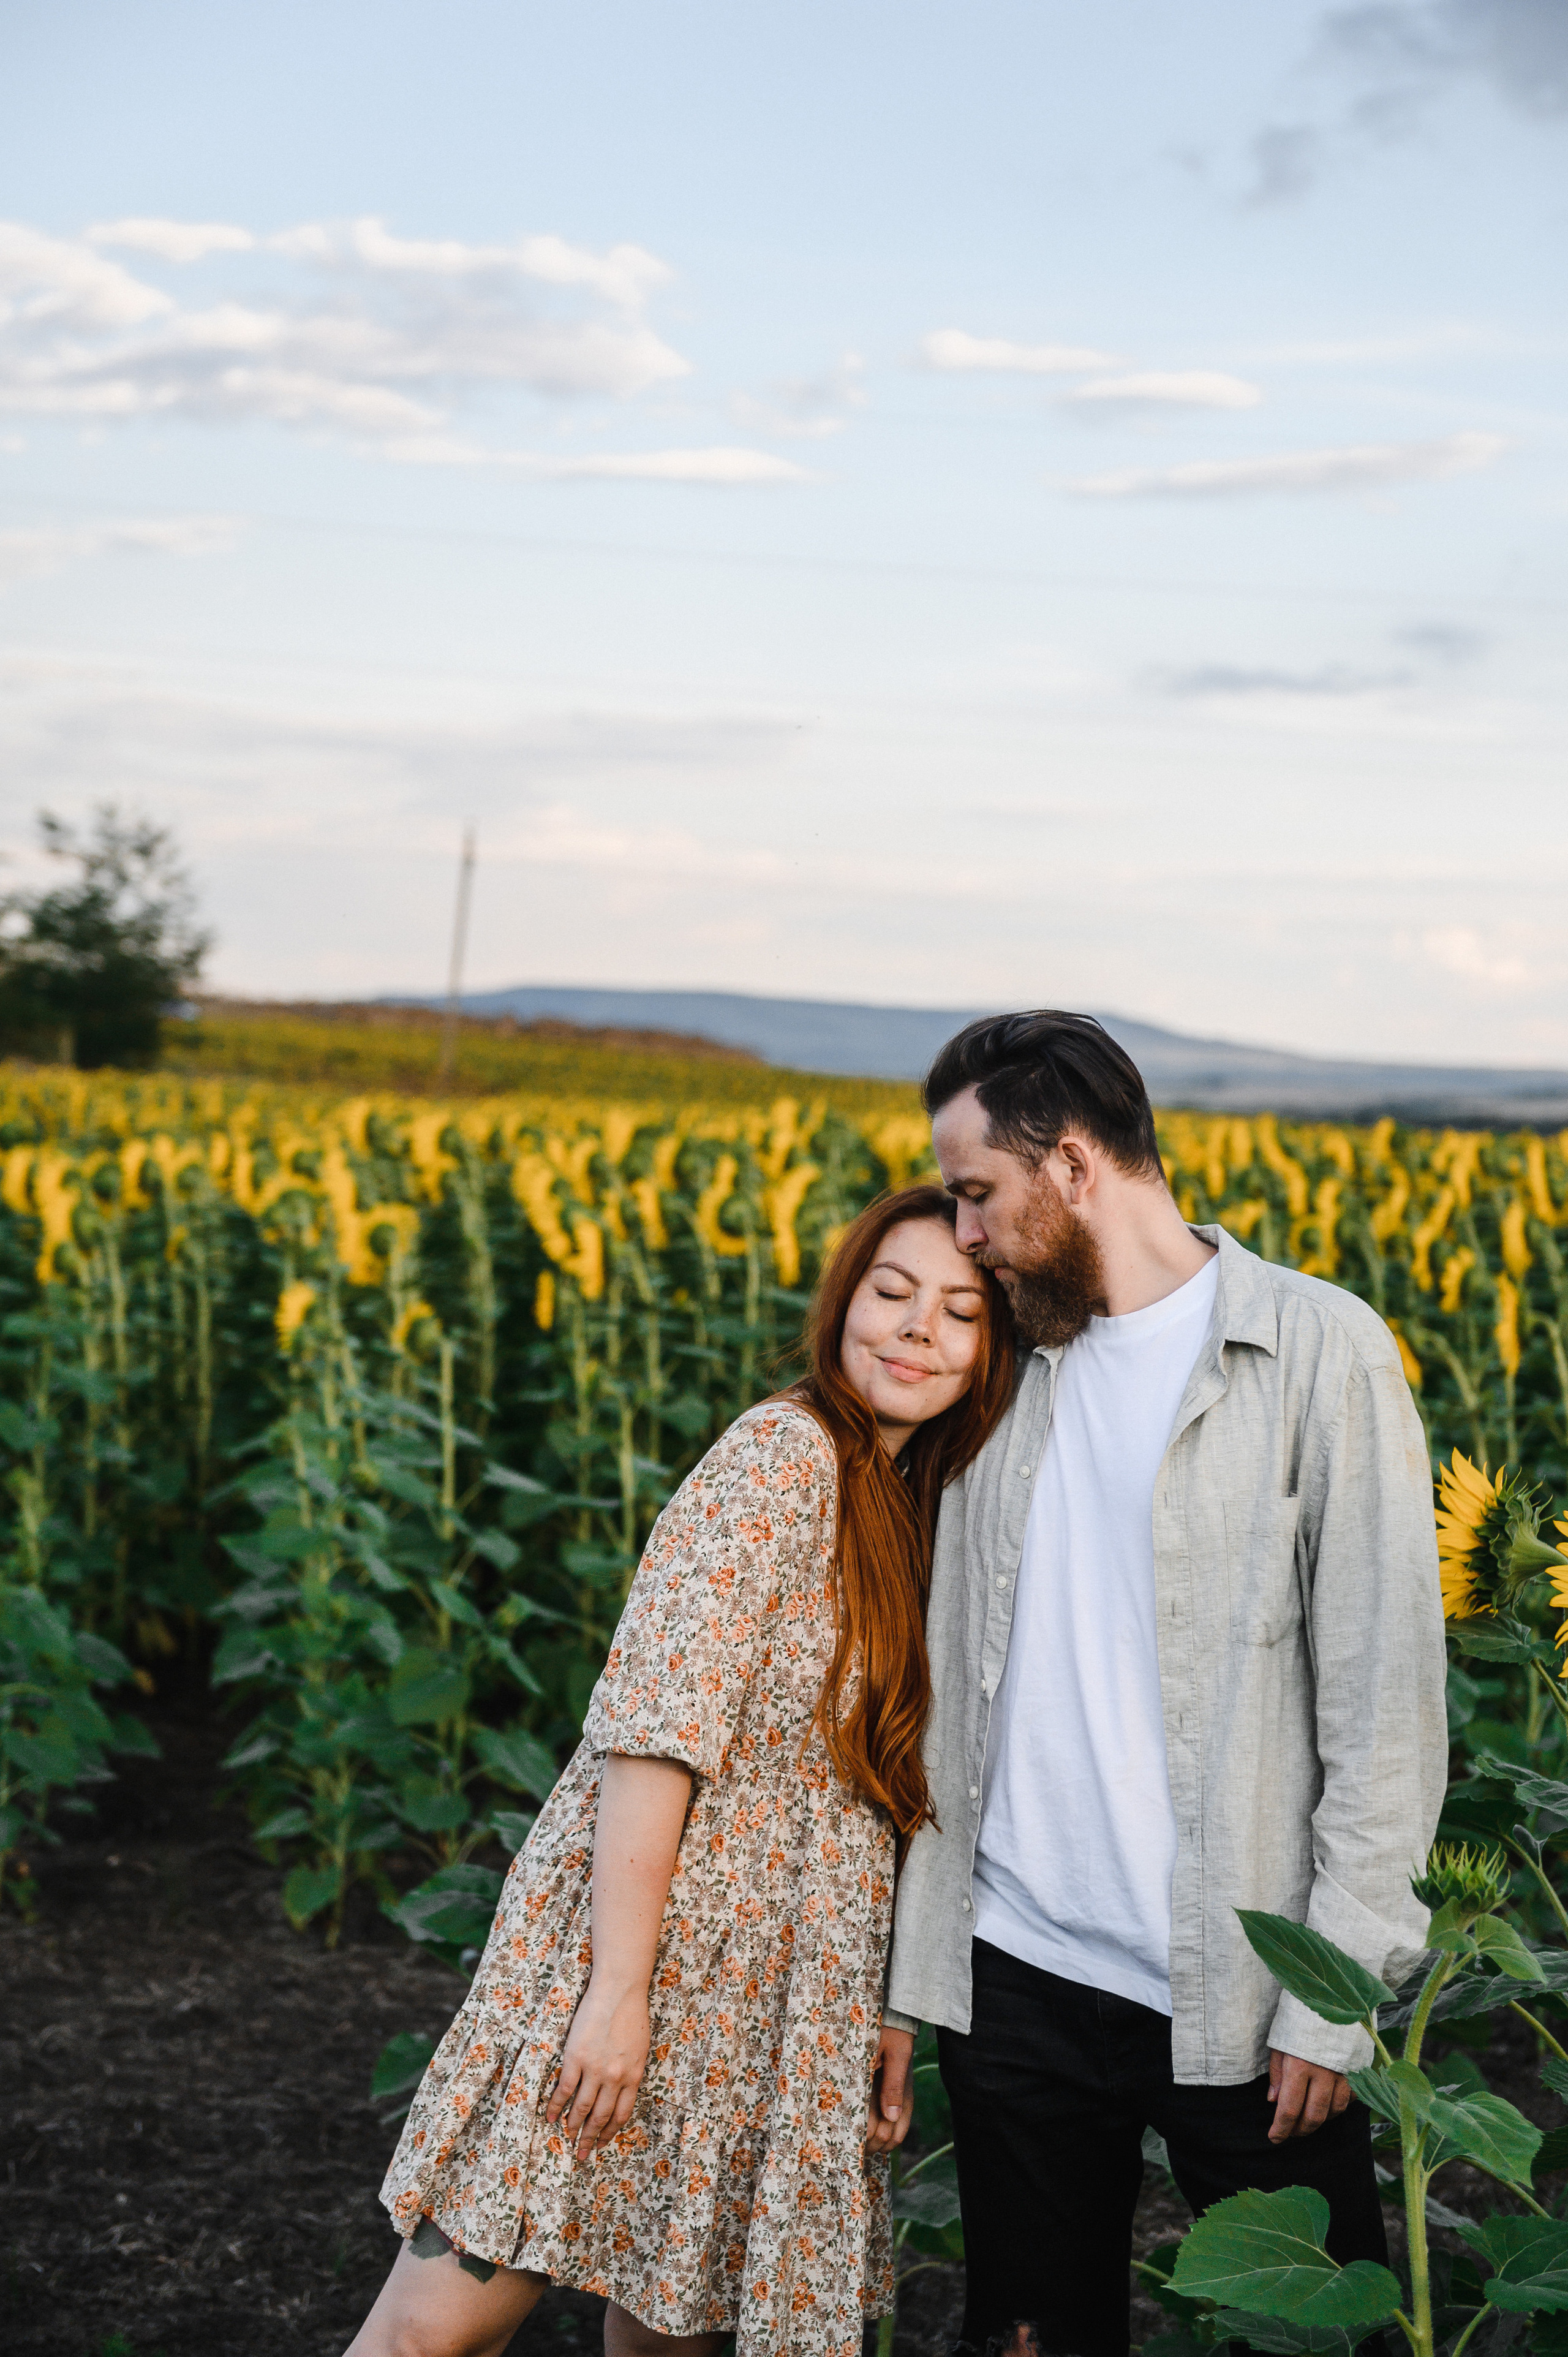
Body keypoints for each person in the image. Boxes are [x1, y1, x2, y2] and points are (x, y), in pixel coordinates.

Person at [346, 1182, 1015, 2357]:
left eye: (960, 1312)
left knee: (673, 2331)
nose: (918, 1329)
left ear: (991, 1353)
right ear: (841, 1304)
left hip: (779, 1995)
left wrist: (887, 2010)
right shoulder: (778, 1456)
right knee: (431, 2333)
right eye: (892, 1293)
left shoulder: (914, 1507)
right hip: (651, 1950)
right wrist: (618, 1989)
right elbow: (656, 1733)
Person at [875, 1012, 1447, 2357]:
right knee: (1027, 2337)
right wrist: (906, 1981)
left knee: (1315, 2334)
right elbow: (936, 1685)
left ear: (1071, 1165)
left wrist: (1336, 1987)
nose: (960, 1236)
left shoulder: (1318, 1351)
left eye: (975, 1193)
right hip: (1013, 1970)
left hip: (1247, 1989)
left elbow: (1385, 1710)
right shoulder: (993, 1358)